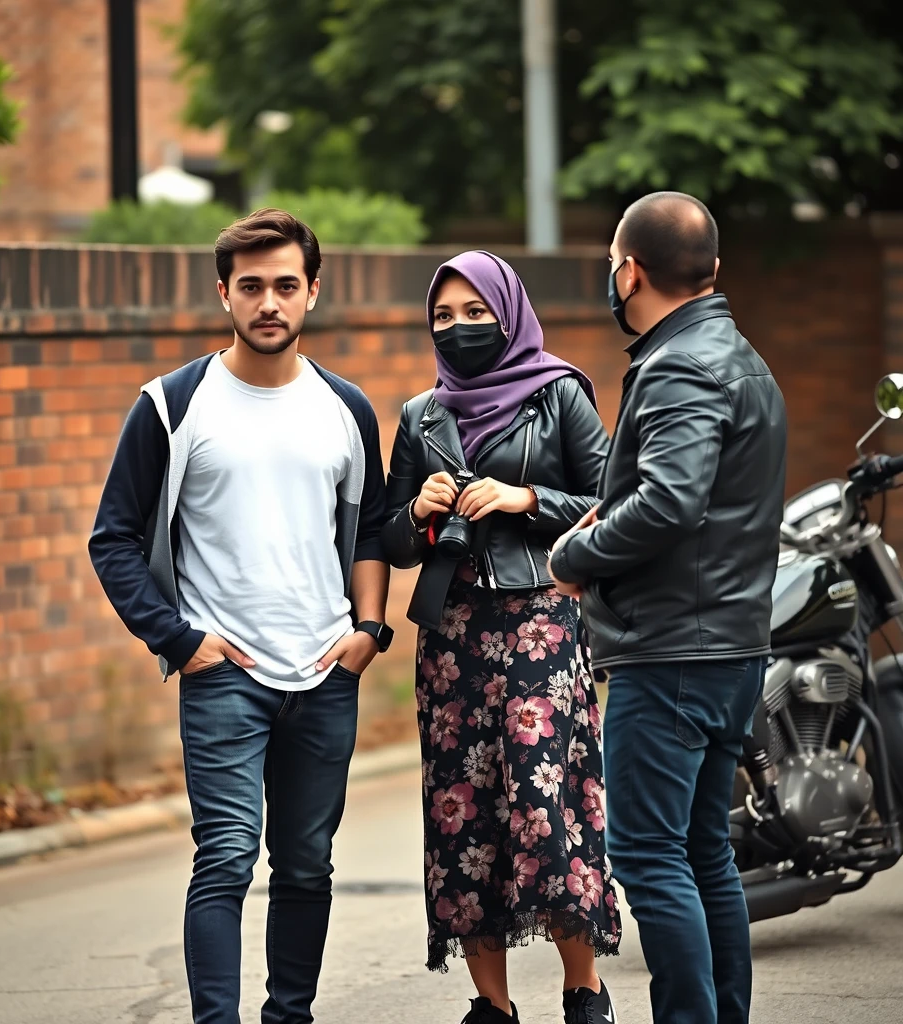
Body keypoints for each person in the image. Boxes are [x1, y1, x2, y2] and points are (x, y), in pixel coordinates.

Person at [88, 209, 392, 1024]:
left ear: (312, 292)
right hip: (225, 677)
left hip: (326, 675)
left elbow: (368, 526)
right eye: (250, 286)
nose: (269, 302)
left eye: (285, 285)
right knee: (223, 859)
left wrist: (369, 632)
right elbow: (112, 537)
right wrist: (180, 641)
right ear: (224, 293)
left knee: (305, 864)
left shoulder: (347, 409)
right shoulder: (172, 405)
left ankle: (288, 1015)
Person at [548, 192, 788, 1024]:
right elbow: (691, 498)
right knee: (703, 853)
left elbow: (671, 501)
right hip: (728, 649)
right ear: (713, 270)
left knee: (650, 858)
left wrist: (574, 554)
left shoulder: (681, 363)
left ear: (629, 270)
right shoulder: (738, 355)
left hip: (672, 653)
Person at [382, 250, 622, 1024]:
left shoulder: (560, 395)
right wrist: (419, 510)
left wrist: (524, 497)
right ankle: (493, 1006)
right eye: (442, 317)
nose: (458, 329)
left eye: (475, 313)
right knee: (463, 815)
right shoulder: (421, 416)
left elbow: (612, 500)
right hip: (451, 634)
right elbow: (387, 539)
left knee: (546, 807)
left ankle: (582, 991)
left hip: (540, 622)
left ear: (508, 312)